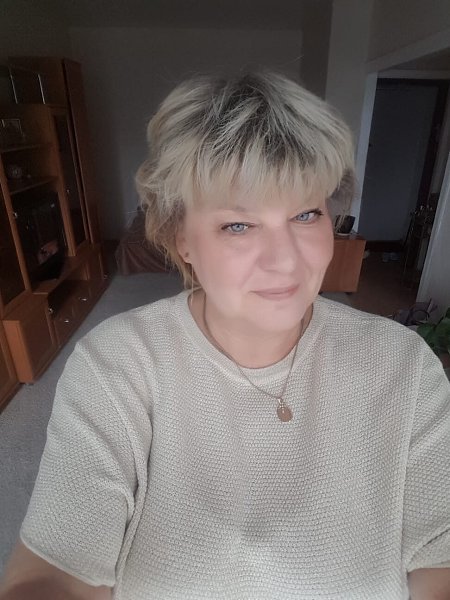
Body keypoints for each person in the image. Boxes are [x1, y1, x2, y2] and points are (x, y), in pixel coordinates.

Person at [1, 71, 449, 600]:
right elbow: (56, 570)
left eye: (306, 214)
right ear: (181, 239)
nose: (285, 260)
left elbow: (440, 554)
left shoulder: (402, 363)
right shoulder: (117, 363)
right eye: (238, 225)